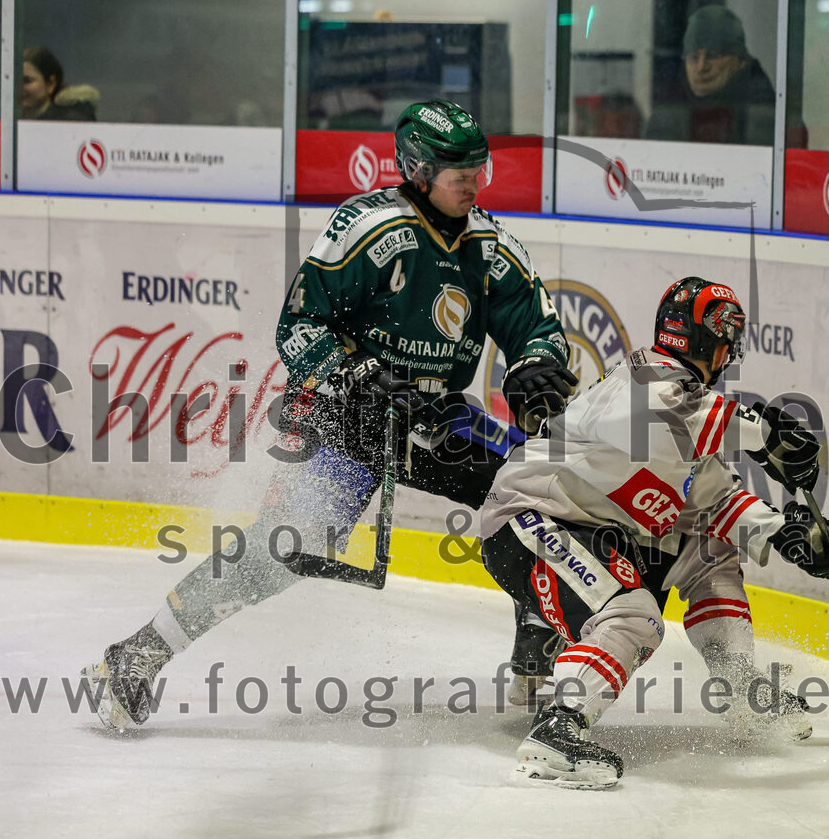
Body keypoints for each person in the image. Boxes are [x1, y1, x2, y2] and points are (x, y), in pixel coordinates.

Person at [82, 99, 577, 730]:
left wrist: (535, 362)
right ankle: (140, 654)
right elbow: (300, 323)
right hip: (355, 417)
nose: (475, 184)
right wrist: (352, 376)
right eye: (461, 173)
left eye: (479, 171)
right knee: (285, 547)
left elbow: (539, 327)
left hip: (439, 415)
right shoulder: (369, 227)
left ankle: (539, 642)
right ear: (419, 169)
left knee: (536, 486)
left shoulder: (491, 247)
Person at [480, 276, 829, 789]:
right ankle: (556, 733)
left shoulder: (686, 404)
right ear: (707, 340)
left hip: (591, 529)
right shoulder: (643, 381)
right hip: (532, 518)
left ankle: (740, 688)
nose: (728, 348)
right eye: (725, 334)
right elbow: (656, 414)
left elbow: (714, 501)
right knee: (633, 616)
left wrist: (789, 534)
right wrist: (765, 433)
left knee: (710, 549)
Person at [644, 6, 806, 147]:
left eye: (713, 56)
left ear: (740, 61)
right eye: (693, 58)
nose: (701, 67)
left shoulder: (770, 120)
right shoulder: (665, 116)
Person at [21, 46, 98, 121]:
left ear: (50, 84)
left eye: (27, 80)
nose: (18, 87)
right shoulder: (15, 119)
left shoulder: (71, 121)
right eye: (14, 81)